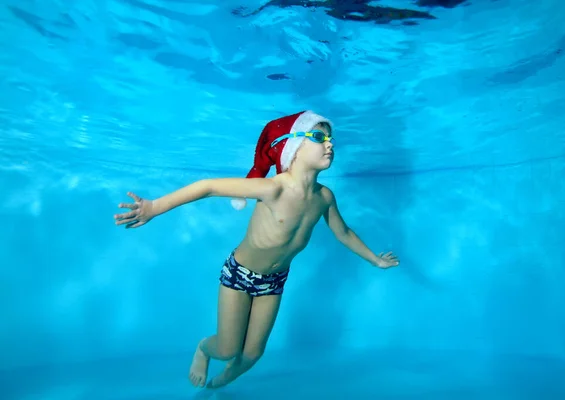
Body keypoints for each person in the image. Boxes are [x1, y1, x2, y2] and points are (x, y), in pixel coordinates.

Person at [113, 110, 399, 389]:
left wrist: (375, 260)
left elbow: (343, 232)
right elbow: (209, 186)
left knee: (252, 355)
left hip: (274, 281)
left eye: (330, 139)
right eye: (319, 137)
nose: (330, 144)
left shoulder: (324, 197)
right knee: (227, 349)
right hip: (240, 274)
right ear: (293, 147)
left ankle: (219, 384)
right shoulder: (273, 188)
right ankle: (203, 349)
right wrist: (154, 207)